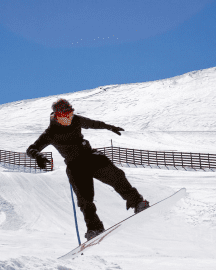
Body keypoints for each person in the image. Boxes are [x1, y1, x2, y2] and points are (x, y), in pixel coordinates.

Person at [26, 99, 150, 240]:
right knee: (84, 200)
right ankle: (95, 228)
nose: (68, 118)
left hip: (91, 157)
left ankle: (138, 202)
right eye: (64, 116)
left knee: (116, 176)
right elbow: (31, 148)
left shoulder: (76, 120)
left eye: (70, 114)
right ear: (56, 116)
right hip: (75, 166)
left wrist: (110, 127)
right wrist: (38, 156)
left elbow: (93, 124)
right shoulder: (50, 133)